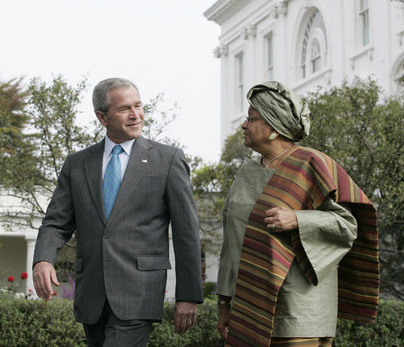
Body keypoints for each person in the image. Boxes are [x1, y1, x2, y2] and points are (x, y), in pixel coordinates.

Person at [33, 77, 203, 347]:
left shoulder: (168, 160)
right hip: (92, 296)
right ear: (102, 117)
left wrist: (189, 295)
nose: (136, 115)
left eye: (138, 106)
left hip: (139, 293)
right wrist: (42, 259)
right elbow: (56, 222)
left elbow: (187, 233)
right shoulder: (77, 164)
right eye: (125, 109)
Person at [215, 81, 379, 346]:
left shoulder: (312, 163)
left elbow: (347, 225)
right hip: (249, 305)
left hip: (299, 311)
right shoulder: (246, 172)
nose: (244, 125)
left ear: (272, 127)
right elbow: (232, 240)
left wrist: (298, 219)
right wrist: (224, 301)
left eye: (251, 118)